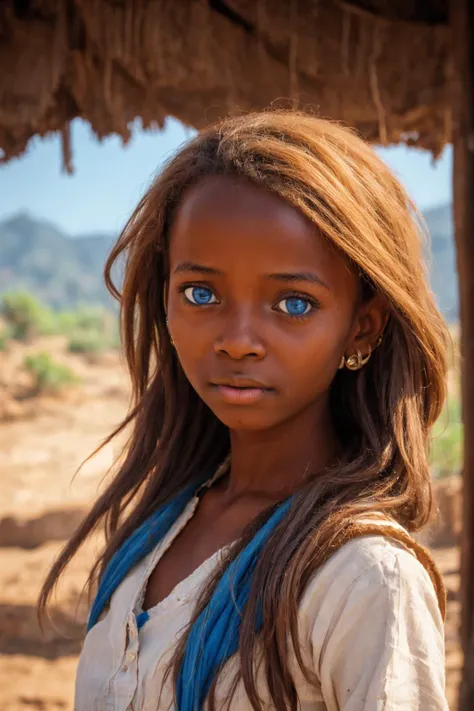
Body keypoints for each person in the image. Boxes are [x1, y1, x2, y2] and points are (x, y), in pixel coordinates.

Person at [39, 111, 450, 711]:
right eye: (200, 294)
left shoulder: (364, 579)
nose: (237, 339)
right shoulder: (161, 527)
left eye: (293, 302)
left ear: (362, 327)